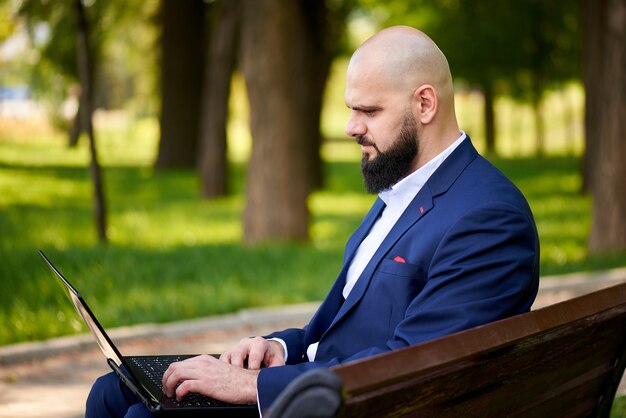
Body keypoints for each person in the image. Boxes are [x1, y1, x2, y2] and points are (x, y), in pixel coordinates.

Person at [86, 25, 540, 417]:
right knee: (113, 390)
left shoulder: (488, 218)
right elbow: (341, 332)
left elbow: (417, 365)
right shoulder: (402, 189)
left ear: (425, 105)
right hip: (319, 387)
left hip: (359, 406)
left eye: (368, 111)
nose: (350, 127)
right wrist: (280, 349)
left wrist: (250, 388)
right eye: (350, 108)